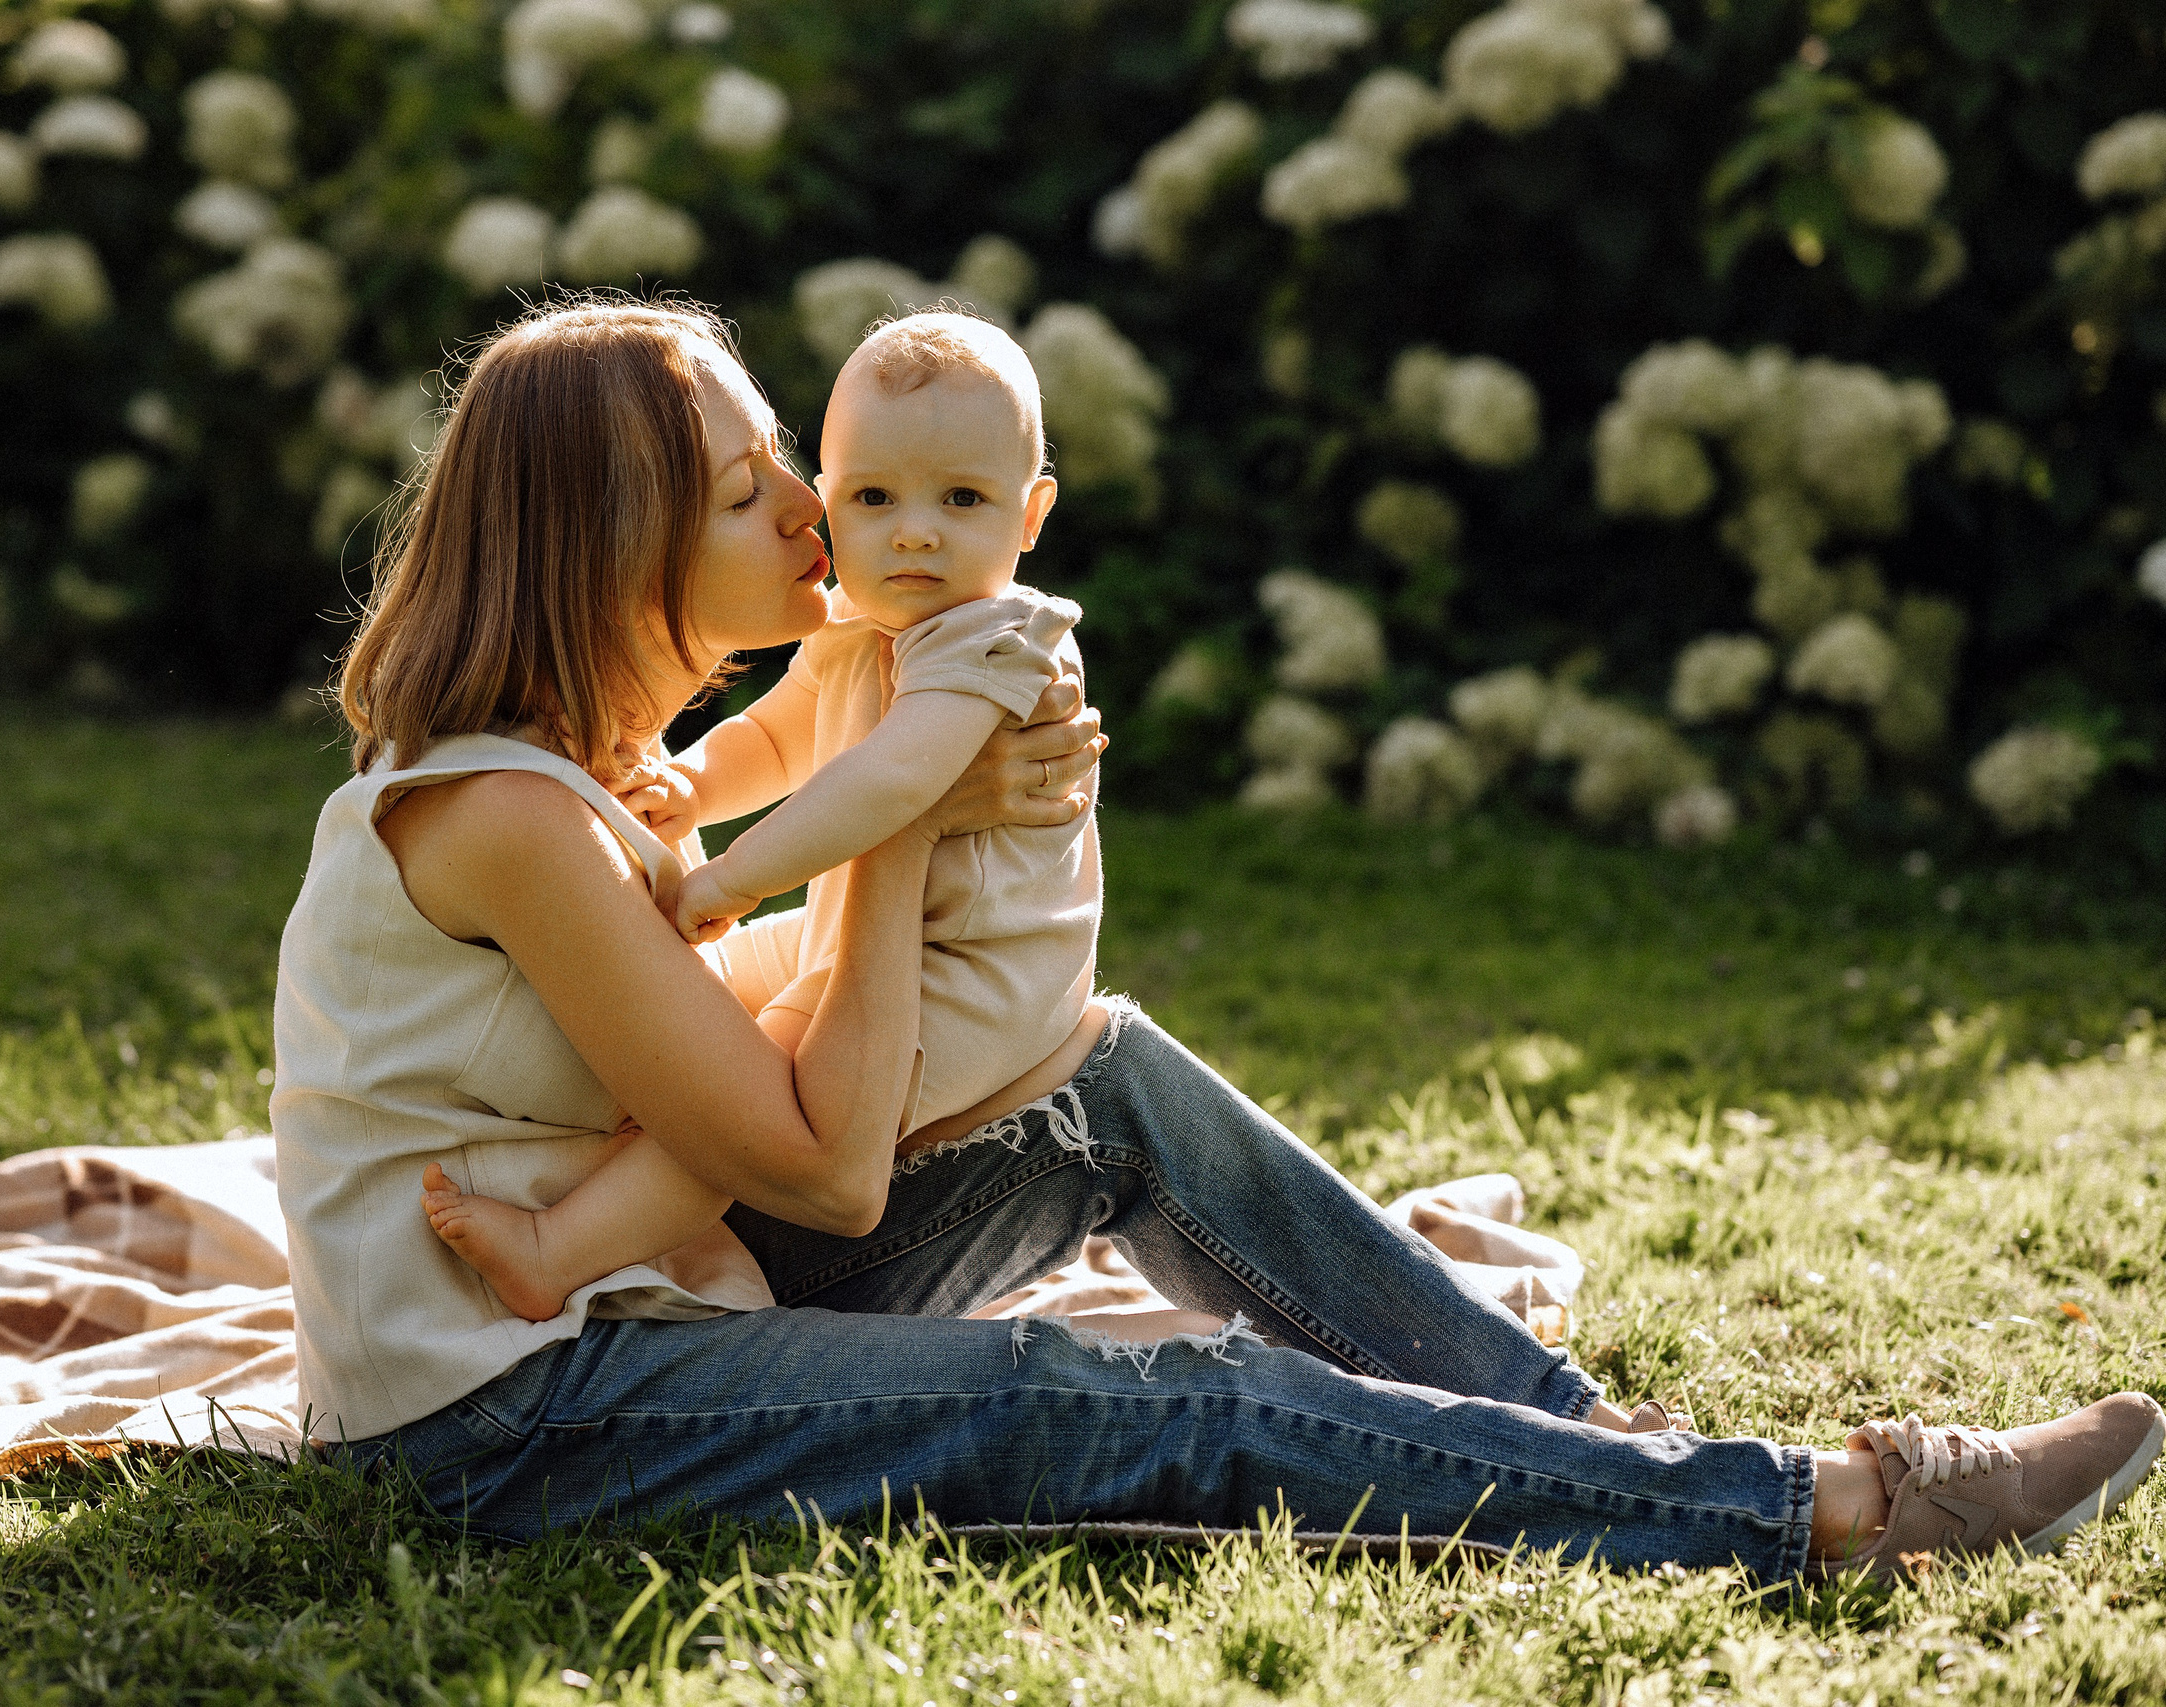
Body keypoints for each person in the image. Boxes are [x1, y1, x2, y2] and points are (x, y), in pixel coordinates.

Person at [272, 295, 2163, 1580]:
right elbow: (830, 1171)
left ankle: (1587, 1438)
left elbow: (789, 1074)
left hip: (668, 1304)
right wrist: (911, 823)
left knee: (1102, 1070)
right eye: (749, 479)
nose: (807, 507)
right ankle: (1832, 1508)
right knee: (1115, 1402)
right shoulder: (517, 819)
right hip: (521, 1424)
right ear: (617, 539)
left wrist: (927, 793)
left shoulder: (617, 779)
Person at [421, 310, 1105, 1326]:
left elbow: (886, 785)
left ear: (1030, 513)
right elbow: (782, 739)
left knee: (769, 1089)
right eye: (874, 498)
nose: (913, 530)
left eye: (961, 499)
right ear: (833, 497)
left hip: (974, 975)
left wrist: (728, 878)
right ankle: (616, 1137)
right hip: (871, 936)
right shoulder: (861, 624)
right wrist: (693, 787)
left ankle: (555, 1247)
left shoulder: (991, 641)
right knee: (706, 1001)